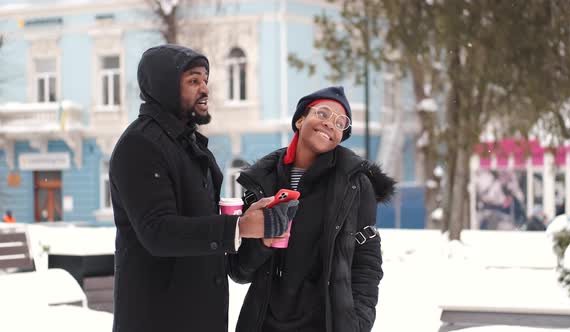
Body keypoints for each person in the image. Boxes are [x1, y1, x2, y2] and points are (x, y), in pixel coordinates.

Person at [109, 44, 290, 332]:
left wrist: (256, 235)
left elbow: (210, 243)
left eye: (205, 80)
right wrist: (239, 227)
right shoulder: (140, 146)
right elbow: (158, 232)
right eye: (193, 81)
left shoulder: (190, 146)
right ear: (165, 86)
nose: (204, 89)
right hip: (158, 319)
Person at [229, 86, 395, 332]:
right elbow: (241, 271)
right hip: (264, 322)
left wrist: (357, 322)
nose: (330, 124)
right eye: (323, 113)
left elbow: (366, 262)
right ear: (300, 119)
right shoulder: (263, 182)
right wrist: (263, 240)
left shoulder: (355, 184)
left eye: (341, 123)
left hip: (326, 322)